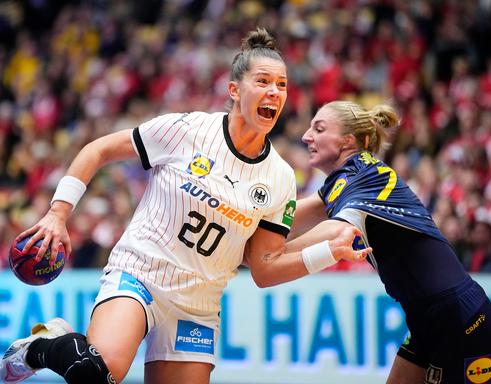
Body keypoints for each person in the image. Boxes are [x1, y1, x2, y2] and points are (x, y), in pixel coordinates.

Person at [0, 28, 371, 384]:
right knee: (91, 371)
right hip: (140, 274)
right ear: (233, 89)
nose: (274, 92)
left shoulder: (280, 178)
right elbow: (98, 150)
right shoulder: (188, 130)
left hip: (197, 306)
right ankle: (40, 348)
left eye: (282, 85)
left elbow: (263, 269)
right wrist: (57, 213)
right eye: (263, 81)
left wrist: (329, 252)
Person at [286, 100, 491, 383]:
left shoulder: (361, 175)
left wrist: (271, 255)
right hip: (429, 321)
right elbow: (286, 222)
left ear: (347, 141)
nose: (306, 136)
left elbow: (333, 232)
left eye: (318, 128)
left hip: (463, 322)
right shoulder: (344, 180)